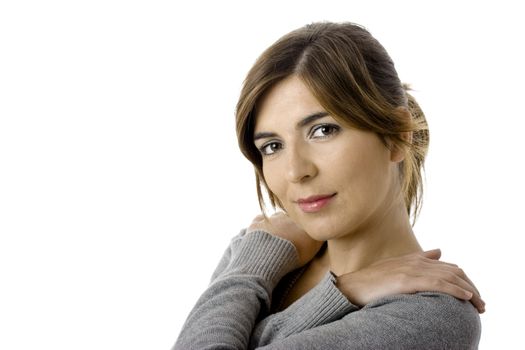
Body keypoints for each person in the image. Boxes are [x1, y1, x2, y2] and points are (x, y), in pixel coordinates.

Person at [173, 21, 483, 349]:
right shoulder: (263, 247)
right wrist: (348, 288)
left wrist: (337, 293)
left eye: (323, 130)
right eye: (272, 146)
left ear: (397, 136)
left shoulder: (434, 316)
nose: (296, 171)